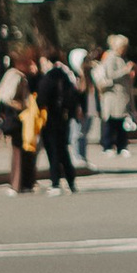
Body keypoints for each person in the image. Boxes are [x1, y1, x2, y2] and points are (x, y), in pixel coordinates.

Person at [35, 47, 82, 194]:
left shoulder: (48, 78)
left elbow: (41, 99)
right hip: (63, 117)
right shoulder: (65, 75)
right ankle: (71, 181)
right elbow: (73, 96)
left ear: (47, 61)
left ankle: (55, 182)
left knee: (53, 151)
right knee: (63, 151)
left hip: (49, 118)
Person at [0, 46, 37, 193]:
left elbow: (0, 97)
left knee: (19, 152)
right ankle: (19, 183)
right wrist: (24, 106)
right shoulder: (18, 77)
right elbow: (9, 98)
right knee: (21, 152)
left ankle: (21, 183)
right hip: (19, 119)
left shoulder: (9, 75)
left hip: (11, 118)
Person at [90, 34, 135, 163]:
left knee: (120, 122)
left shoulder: (120, 58)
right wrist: (125, 70)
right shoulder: (111, 58)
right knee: (111, 122)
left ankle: (121, 146)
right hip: (113, 96)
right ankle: (108, 145)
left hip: (120, 96)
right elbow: (110, 74)